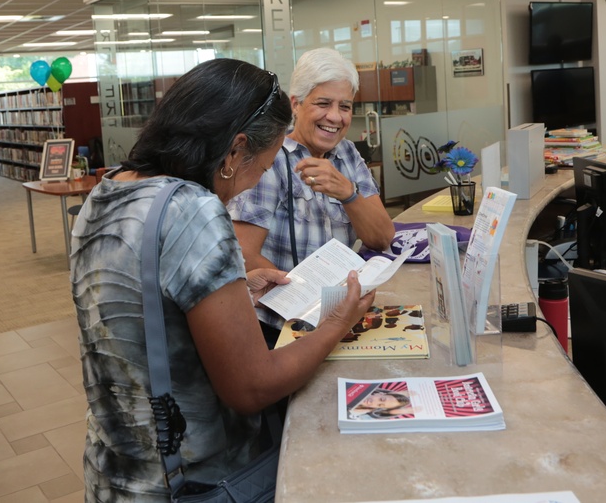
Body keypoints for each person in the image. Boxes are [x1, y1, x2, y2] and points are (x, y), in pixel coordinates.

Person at [69, 58, 376, 502]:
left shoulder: (110, 188)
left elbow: (145, 299)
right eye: (265, 166)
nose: (260, 179)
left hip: (115, 471)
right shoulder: (194, 208)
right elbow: (252, 386)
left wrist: (233, 287)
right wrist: (336, 323)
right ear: (235, 151)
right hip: (195, 480)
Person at [228, 48, 394, 280]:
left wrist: (348, 194)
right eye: (323, 104)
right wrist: (306, 295)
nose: (335, 117)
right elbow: (244, 254)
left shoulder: (347, 153)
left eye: (344, 106)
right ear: (295, 105)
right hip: (283, 310)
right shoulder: (270, 157)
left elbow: (383, 238)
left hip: (338, 304)